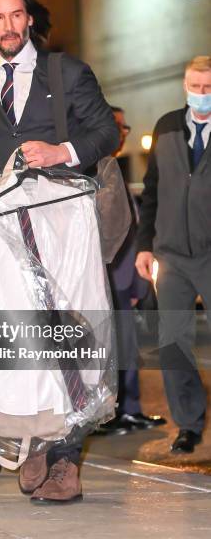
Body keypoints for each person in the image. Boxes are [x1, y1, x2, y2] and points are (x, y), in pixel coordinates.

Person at [0, 0, 119, 503]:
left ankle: (67, 459)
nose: (8, 26)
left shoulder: (66, 71)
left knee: (69, 328)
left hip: (64, 221)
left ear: (30, 19)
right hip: (3, 226)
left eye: (16, 15)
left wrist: (63, 149)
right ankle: (35, 442)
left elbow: (106, 134)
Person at [136, 55, 211, 454]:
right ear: (184, 85)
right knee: (174, 343)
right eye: (193, 87)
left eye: (207, 88)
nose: (199, 95)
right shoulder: (166, 126)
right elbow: (151, 192)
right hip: (172, 256)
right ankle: (187, 423)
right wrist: (145, 245)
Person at [98, 106, 166, 435]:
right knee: (112, 349)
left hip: (125, 280)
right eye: (119, 127)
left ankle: (130, 408)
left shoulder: (112, 169)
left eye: (125, 128)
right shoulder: (95, 169)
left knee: (127, 347)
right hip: (109, 279)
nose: (123, 133)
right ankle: (114, 412)